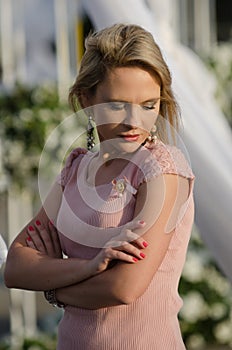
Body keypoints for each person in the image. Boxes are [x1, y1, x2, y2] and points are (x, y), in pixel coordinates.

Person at [4, 23, 195, 349]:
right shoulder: (76, 169)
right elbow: (16, 267)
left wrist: (52, 286)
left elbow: (123, 288)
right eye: (118, 105)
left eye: (149, 105)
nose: (134, 122)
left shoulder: (163, 170)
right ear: (85, 99)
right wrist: (91, 267)